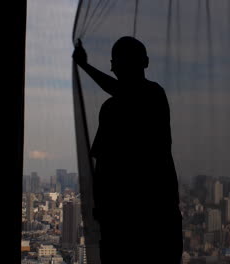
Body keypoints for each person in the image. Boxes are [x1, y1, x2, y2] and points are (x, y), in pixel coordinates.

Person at [73, 36, 182, 264]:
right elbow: (103, 163)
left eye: (121, 61)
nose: (117, 66)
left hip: (144, 216)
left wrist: (84, 66)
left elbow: (102, 164)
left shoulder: (152, 95)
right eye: (118, 61)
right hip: (139, 216)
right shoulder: (114, 107)